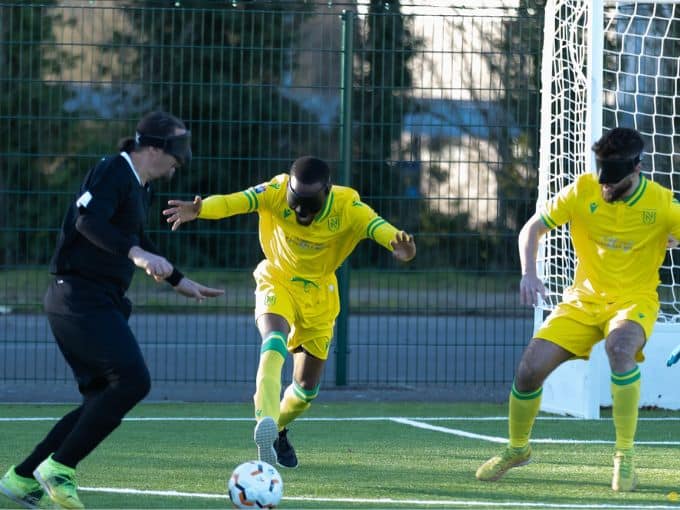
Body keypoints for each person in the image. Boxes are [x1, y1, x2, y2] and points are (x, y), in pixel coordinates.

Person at [0, 111, 224, 509]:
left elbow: (138, 237)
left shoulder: (140, 187)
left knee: (101, 399)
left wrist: (179, 280)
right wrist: (135, 253)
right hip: (77, 296)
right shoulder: (112, 171)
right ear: (154, 148)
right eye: (177, 152)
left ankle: (21, 478)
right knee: (132, 381)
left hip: (99, 300)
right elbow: (87, 222)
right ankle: (60, 468)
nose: (180, 161)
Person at [163, 156, 416, 468]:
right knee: (273, 341)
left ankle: (277, 428)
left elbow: (380, 228)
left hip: (320, 297)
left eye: (308, 207)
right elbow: (235, 202)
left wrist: (399, 244)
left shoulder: (349, 207)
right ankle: (264, 421)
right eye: (295, 205)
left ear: (327, 193)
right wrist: (201, 209)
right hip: (277, 280)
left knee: (306, 390)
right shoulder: (275, 189)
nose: (299, 213)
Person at [475, 127, 680, 492]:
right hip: (582, 301)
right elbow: (532, 229)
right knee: (528, 370)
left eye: (613, 179)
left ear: (637, 168)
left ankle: (625, 457)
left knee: (620, 348)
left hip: (634, 300)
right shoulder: (583, 189)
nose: (605, 185)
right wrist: (529, 274)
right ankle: (517, 449)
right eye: (602, 173)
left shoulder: (663, 205)